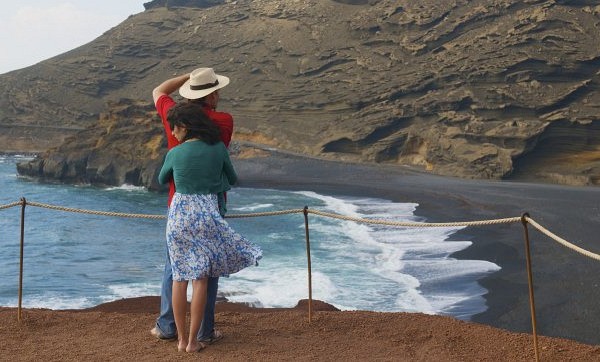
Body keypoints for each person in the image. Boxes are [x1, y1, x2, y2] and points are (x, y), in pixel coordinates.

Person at [157, 102, 262, 352]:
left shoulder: (175, 152)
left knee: (179, 279)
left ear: (183, 127)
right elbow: (233, 178)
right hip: (207, 214)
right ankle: (194, 342)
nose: (172, 133)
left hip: (179, 215)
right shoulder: (217, 149)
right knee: (201, 280)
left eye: (174, 129)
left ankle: (180, 340)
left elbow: (162, 179)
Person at [151, 67, 234, 343]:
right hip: (212, 202)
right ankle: (204, 332)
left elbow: (159, 91)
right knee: (207, 269)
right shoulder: (224, 121)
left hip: (179, 202)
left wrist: (188, 77)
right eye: (216, 91)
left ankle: (167, 326)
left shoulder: (174, 117)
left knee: (174, 267)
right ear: (211, 95)